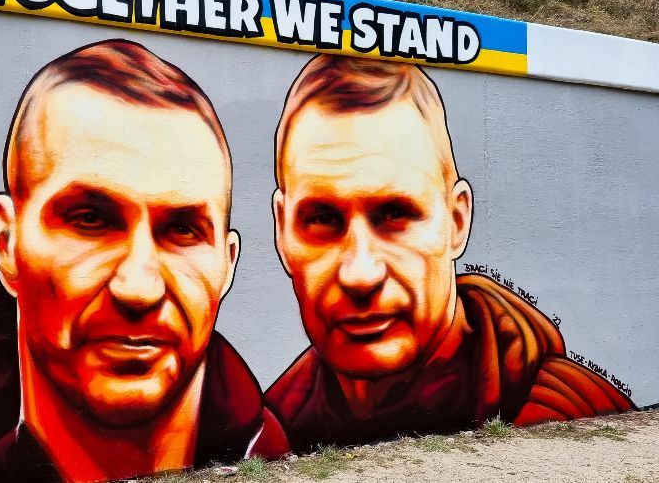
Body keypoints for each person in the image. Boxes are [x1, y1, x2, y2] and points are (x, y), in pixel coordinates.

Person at [0, 39, 288, 483]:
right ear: (7, 244)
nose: (139, 287)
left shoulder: (264, 451)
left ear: (226, 265)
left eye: (183, 230)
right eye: (89, 220)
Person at [264, 55, 634, 452]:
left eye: (395, 214)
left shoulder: (562, 410)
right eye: (322, 219)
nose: (361, 273)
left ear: (456, 222)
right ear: (282, 233)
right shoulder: (270, 431)